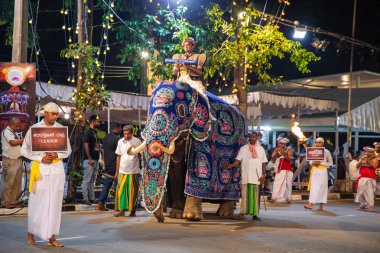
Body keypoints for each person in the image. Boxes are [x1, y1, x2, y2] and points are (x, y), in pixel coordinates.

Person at [21, 102, 71, 247]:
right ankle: (30, 233)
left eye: (57, 114)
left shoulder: (61, 130)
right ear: (45, 113)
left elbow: (68, 151)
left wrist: (57, 153)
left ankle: (52, 237)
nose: (55, 116)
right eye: (52, 113)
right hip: (40, 170)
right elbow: (24, 150)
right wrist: (40, 158)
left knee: (55, 204)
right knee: (37, 202)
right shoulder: (35, 129)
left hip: (56, 170)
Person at [227, 131, 267, 220]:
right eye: (251, 136)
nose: (253, 138)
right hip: (246, 175)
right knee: (244, 195)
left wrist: (263, 175)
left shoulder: (261, 149)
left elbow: (264, 163)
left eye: (254, 136)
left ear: (257, 138)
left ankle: (255, 214)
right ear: (249, 138)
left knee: (255, 196)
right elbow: (238, 160)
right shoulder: (243, 148)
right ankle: (242, 213)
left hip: (257, 176)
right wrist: (231, 165)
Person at [113, 125, 142, 217]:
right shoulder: (120, 141)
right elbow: (118, 156)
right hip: (122, 170)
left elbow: (140, 155)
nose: (126, 136)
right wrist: (117, 171)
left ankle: (133, 211)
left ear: (132, 133)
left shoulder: (137, 141)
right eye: (125, 134)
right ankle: (121, 210)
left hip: (133, 170)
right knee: (121, 191)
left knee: (133, 192)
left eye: (128, 134)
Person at [96, 122, 122, 211]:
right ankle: (118, 207)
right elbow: (120, 153)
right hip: (116, 164)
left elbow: (103, 151)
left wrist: (104, 163)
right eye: (120, 128)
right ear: (116, 128)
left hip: (108, 164)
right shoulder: (118, 139)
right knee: (117, 185)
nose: (121, 130)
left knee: (107, 184)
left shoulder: (105, 138)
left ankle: (100, 203)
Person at [304, 137, 333, 211]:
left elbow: (331, 163)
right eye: (317, 142)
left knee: (322, 188)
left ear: (323, 143)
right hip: (315, 171)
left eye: (320, 142)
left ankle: (321, 205)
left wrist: (321, 163)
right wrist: (313, 163)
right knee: (314, 187)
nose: (318, 144)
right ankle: (310, 204)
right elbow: (310, 161)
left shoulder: (326, 151)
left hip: (323, 171)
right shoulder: (313, 151)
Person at [1, 117, 24, 209]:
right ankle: (5, 202)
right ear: (12, 124)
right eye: (17, 126)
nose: (18, 127)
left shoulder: (13, 132)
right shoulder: (6, 131)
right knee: (8, 183)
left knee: (17, 183)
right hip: (10, 160)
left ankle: (13, 201)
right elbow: (13, 143)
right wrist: (23, 140)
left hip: (17, 159)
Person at [81, 115, 101, 205]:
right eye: (98, 121)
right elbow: (86, 145)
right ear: (93, 122)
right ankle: (85, 198)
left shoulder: (95, 132)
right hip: (89, 160)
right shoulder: (88, 132)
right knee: (86, 179)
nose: (99, 123)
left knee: (92, 180)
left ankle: (92, 198)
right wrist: (89, 158)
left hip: (95, 159)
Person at [269, 137, 293, 204]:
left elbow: (289, 159)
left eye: (282, 143)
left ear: (285, 144)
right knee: (277, 183)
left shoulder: (289, 150)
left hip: (287, 169)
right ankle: (274, 198)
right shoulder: (276, 150)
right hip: (280, 169)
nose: (280, 145)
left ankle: (288, 198)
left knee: (288, 184)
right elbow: (273, 159)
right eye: (280, 143)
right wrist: (276, 153)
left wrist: (283, 153)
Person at [355, 146, 378, 212]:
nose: (366, 153)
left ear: (371, 152)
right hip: (362, 177)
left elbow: (375, 166)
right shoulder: (362, 158)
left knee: (369, 192)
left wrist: (367, 160)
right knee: (360, 192)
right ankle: (362, 204)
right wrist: (361, 162)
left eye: (368, 151)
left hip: (370, 178)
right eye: (366, 151)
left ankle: (369, 205)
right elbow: (357, 166)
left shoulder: (375, 159)